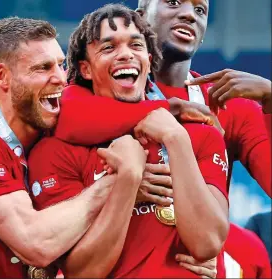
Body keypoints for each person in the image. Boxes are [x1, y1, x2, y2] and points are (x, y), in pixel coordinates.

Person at [28, 4, 229, 278]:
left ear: (148, 58)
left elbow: (207, 244)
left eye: (135, 45)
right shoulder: (55, 151)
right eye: (108, 48)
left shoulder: (200, 136)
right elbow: (82, 272)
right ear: (85, 69)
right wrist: (127, 181)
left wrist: (176, 138)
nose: (125, 55)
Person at [0, 17, 145, 278]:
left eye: (61, 65)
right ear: (2, 76)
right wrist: (113, 184)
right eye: (43, 68)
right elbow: (36, 246)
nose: (61, 79)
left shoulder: (61, 135)